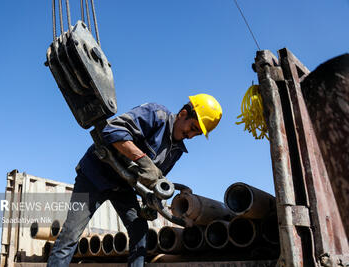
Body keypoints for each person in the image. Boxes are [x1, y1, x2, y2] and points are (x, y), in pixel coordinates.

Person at [47, 93, 222, 267]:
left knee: (139, 231)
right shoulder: (156, 114)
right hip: (94, 175)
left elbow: (150, 180)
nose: (190, 136)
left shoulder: (176, 151)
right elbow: (113, 131)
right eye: (192, 128)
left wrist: (150, 202)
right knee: (70, 235)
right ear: (183, 113)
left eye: (196, 134)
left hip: (123, 186)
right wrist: (143, 161)